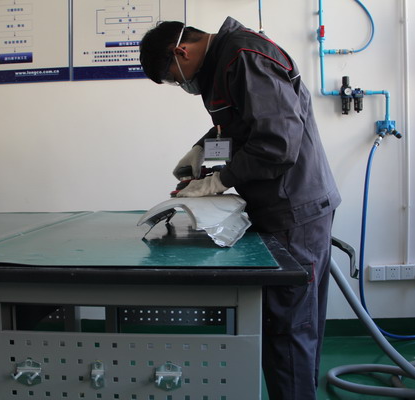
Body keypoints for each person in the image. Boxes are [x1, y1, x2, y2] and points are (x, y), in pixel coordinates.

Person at [139, 17, 341, 399]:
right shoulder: (225, 63)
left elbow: (277, 145)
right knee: (293, 326)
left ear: (181, 51)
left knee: (288, 329)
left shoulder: (244, 56)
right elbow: (240, 128)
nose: (182, 85)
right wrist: (202, 151)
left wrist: (218, 181)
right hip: (284, 207)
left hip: (293, 210)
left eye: (175, 78)